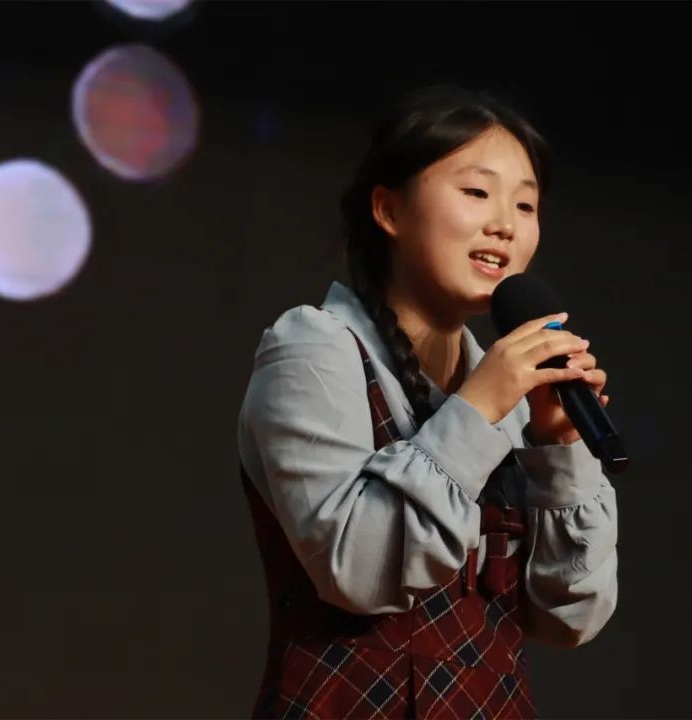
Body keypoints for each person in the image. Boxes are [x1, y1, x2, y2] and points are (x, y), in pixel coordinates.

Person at [236, 84, 619, 720]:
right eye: (477, 192)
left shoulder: (511, 390)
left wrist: (559, 448)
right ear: (388, 209)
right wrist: (477, 408)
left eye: (526, 204)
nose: (505, 223)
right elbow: (358, 572)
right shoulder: (314, 345)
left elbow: (569, 617)